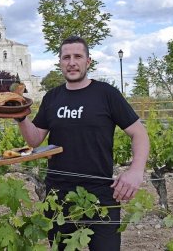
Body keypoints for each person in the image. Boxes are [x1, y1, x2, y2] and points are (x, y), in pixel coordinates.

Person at [15, 36, 149, 250]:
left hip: (102, 194)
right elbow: (35, 139)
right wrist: (20, 116)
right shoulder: (52, 97)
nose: (72, 62)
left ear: (88, 61)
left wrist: (136, 171)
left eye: (78, 56)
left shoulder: (106, 94)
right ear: (60, 63)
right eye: (66, 57)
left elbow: (139, 133)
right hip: (58, 196)